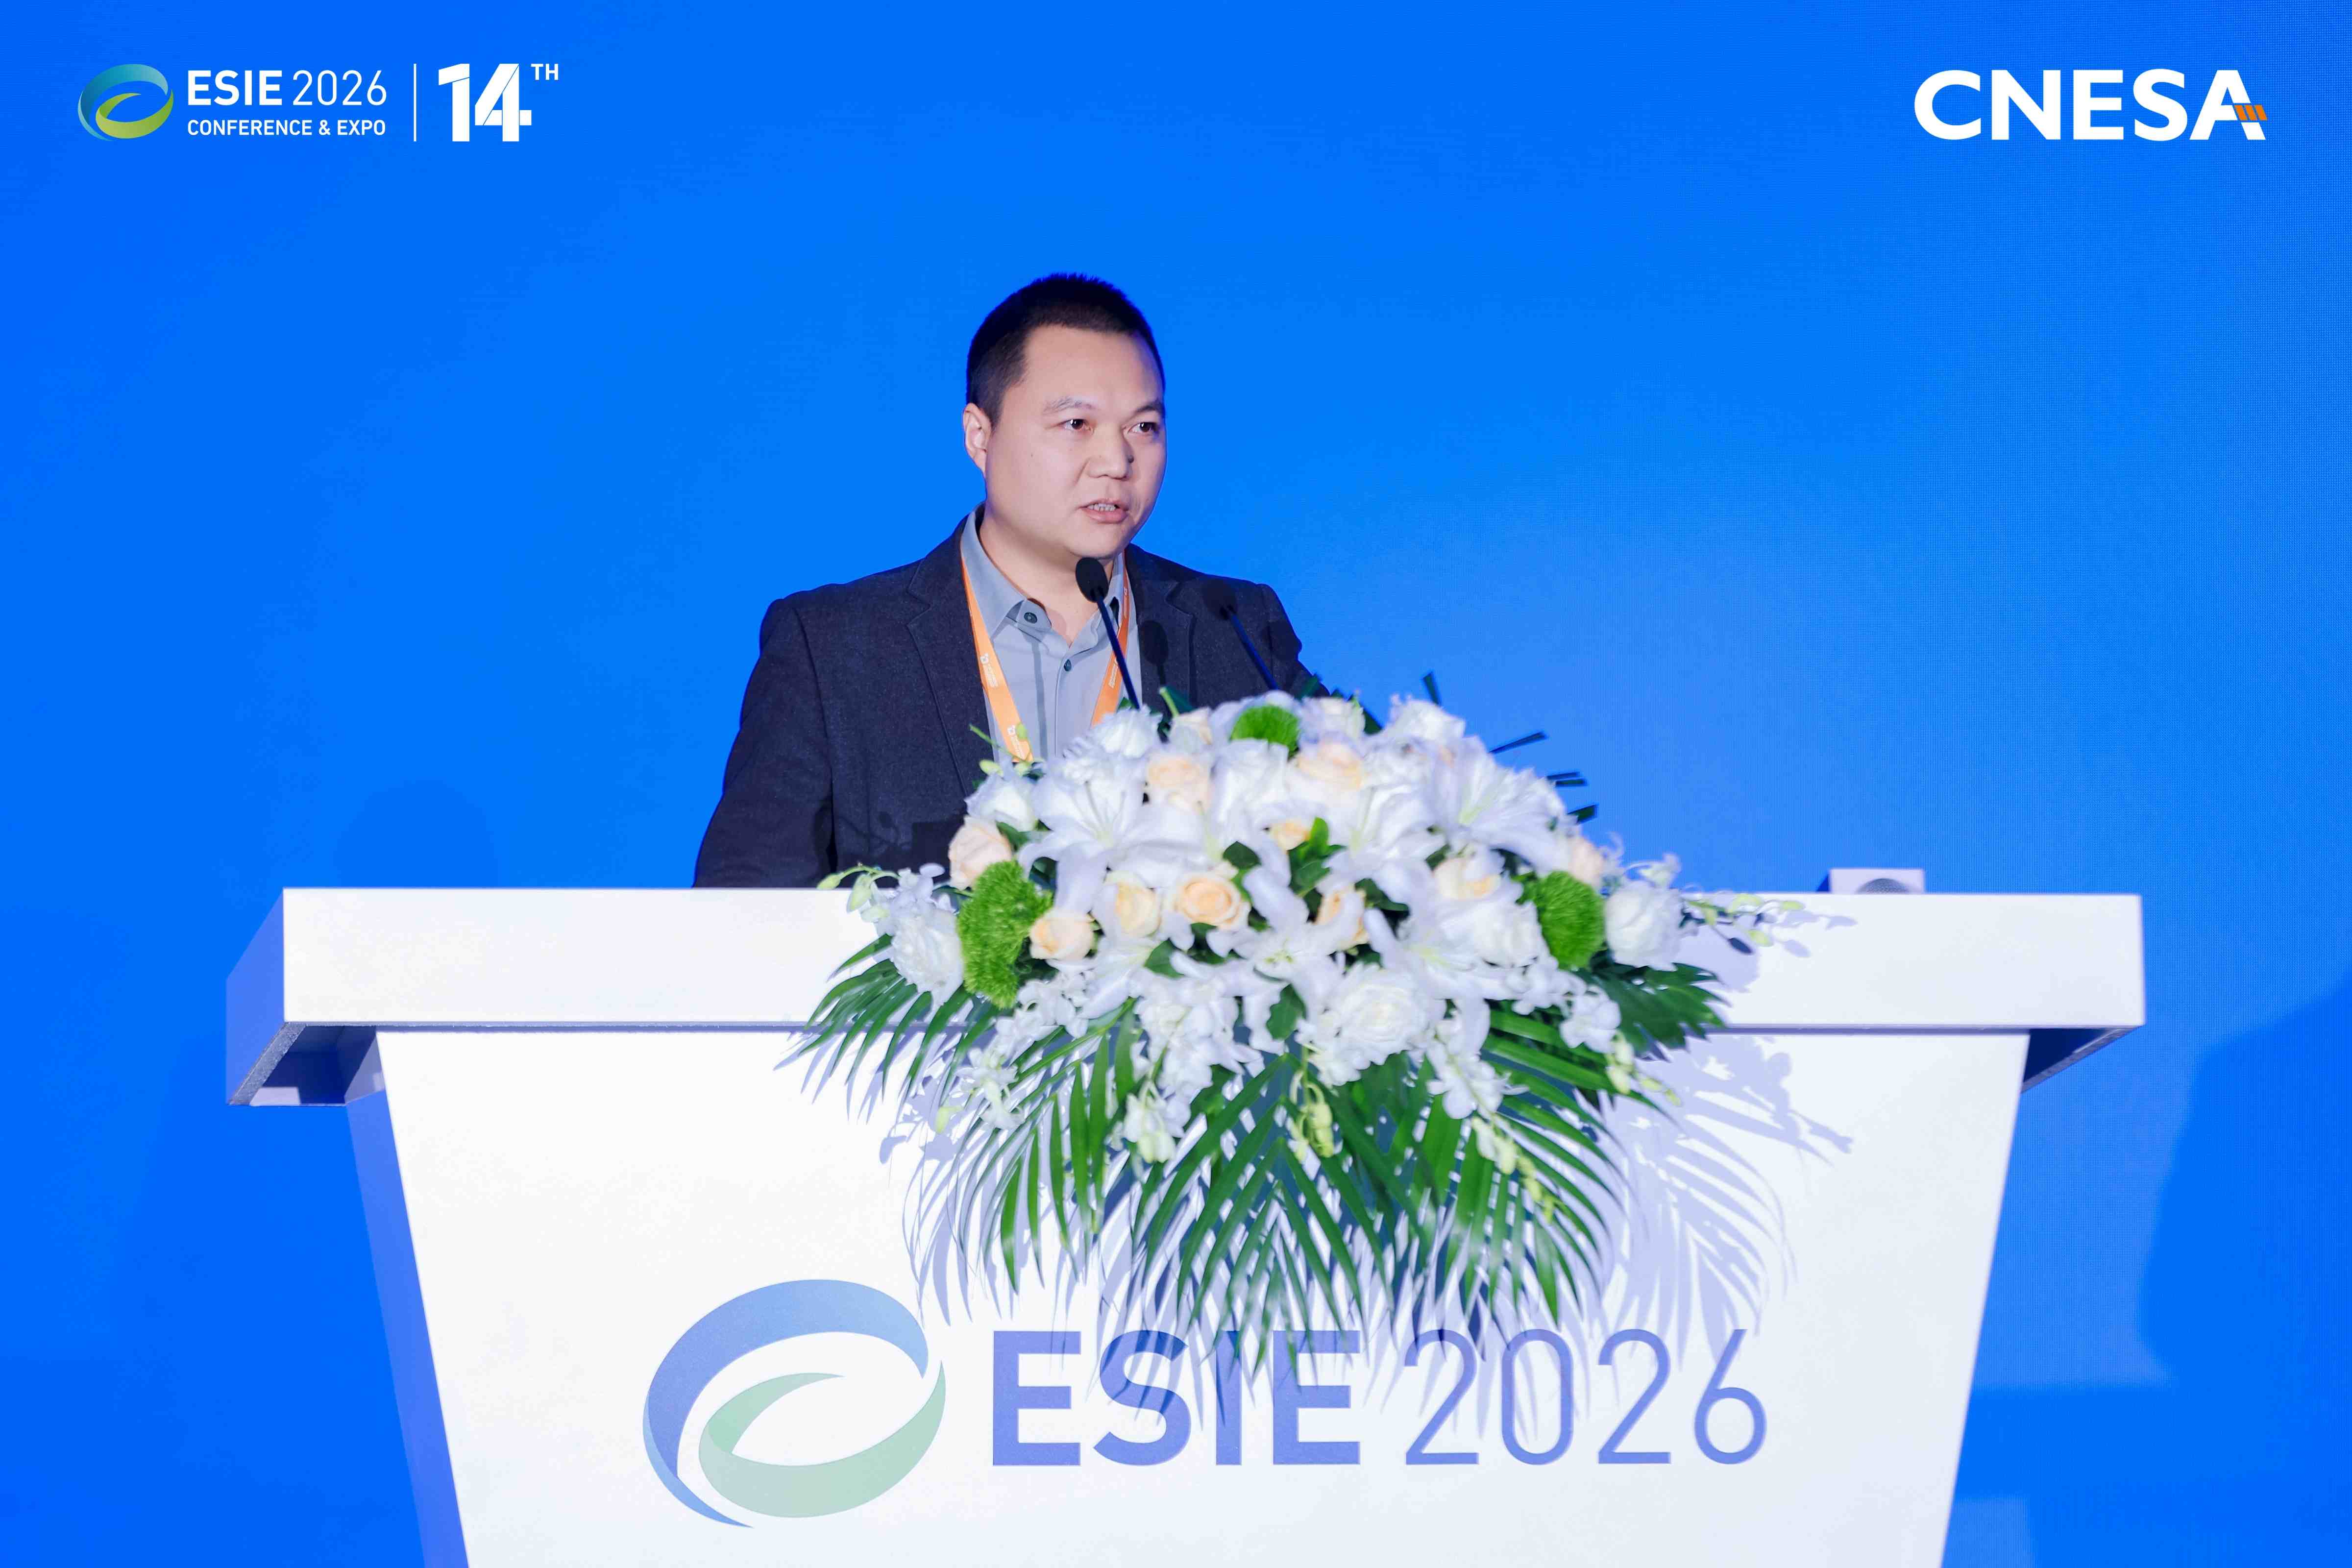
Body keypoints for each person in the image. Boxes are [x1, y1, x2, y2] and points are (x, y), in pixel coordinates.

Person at [692, 274, 1313, 888]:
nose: (1117, 461)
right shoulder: (832, 650)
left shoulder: (1235, 628)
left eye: (1143, 427)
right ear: (979, 435)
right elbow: (740, 911)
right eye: (1077, 424)